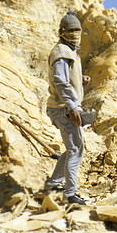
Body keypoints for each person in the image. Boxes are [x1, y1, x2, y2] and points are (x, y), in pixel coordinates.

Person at [44, 11, 91, 205]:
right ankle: (70, 194)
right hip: (63, 108)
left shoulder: (69, 51)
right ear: (62, 32)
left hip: (65, 106)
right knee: (76, 150)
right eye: (71, 30)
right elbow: (60, 81)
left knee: (73, 147)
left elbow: (66, 78)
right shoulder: (61, 52)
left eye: (77, 30)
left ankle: (54, 183)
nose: (75, 33)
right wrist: (72, 106)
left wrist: (80, 80)